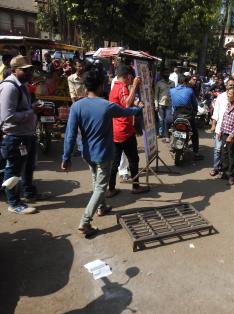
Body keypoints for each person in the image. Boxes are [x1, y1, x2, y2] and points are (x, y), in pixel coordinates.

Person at [61, 69, 143, 236]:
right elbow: (127, 111)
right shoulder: (107, 106)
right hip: (104, 154)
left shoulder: (77, 106)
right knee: (100, 186)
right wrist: (139, 108)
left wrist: (66, 157)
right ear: (100, 86)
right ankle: (85, 222)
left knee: (94, 178)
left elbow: (70, 135)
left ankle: (101, 207)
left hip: (87, 153)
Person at [0, 56, 49, 214]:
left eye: (30, 70)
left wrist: (33, 109)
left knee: (29, 167)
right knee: (13, 170)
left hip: (27, 134)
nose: (29, 73)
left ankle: (29, 193)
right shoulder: (9, 87)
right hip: (15, 136)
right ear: (15, 70)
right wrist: (31, 111)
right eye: (25, 70)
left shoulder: (22, 85)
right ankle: (13, 203)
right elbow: (7, 118)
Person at [107, 64, 149, 198]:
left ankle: (111, 189)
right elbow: (126, 103)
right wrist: (135, 85)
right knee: (133, 159)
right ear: (128, 77)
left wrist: (136, 103)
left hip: (115, 130)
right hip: (124, 130)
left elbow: (125, 102)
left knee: (114, 161)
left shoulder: (115, 87)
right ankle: (135, 186)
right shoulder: (123, 88)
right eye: (131, 78)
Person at [210, 78, 234, 176]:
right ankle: (216, 167)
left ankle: (227, 171)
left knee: (229, 153)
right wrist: (214, 124)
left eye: (233, 85)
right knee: (218, 150)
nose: (231, 86)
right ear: (226, 85)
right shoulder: (221, 97)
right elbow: (217, 112)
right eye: (229, 85)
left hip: (232, 131)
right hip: (221, 128)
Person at [170, 75, 203, 160]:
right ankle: (196, 153)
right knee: (194, 133)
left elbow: (171, 103)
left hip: (176, 115)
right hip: (188, 116)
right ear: (185, 82)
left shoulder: (172, 90)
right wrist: (195, 111)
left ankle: (172, 143)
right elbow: (194, 104)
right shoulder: (189, 90)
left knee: (173, 129)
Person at [219, 87, 234, 185]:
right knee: (224, 154)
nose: (228, 95)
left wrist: (232, 135)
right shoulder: (227, 105)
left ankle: (233, 176)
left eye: (230, 94)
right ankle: (225, 172)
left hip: (232, 136)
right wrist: (221, 131)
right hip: (225, 134)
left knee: (232, 156)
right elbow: (224, 119)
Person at [154, 68, 175, 143]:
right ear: (163, 75)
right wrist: (156, 105)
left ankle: (166, 134)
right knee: (161, 120)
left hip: (169, 104)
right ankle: (160, 133)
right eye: (165, 73)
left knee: (168, 119)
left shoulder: (172, 83)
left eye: (168, 73)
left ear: (169, 74)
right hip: (160, 104)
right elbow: (156, 95)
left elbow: (174, 94)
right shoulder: (159, 83)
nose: (167, 74)